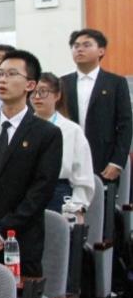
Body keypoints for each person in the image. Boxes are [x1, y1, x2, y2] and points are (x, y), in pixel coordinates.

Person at [0, 50, 62, 277]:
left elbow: (41, 191)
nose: (2, 80)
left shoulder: (47, 134)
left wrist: (2, 230)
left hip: (20, 242)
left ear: (30, 85)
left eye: (11, 74)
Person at [61, 28, 132, 183]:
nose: (79, 49)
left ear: (101, 51)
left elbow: (125, 124)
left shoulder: (116, 83)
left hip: (103, 159)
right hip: (68, 159)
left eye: (86, 45)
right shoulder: (62, 83)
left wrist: (117, 162)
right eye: (76, 46)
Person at [32, 73, 95, 215]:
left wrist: (77, 208)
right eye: (33, 92)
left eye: (43, 91)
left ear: (57, 95)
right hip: (26, 192)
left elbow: (82, 174)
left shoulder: (72, 130)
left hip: (57, 192)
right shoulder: (21, 127)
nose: (37, 97)